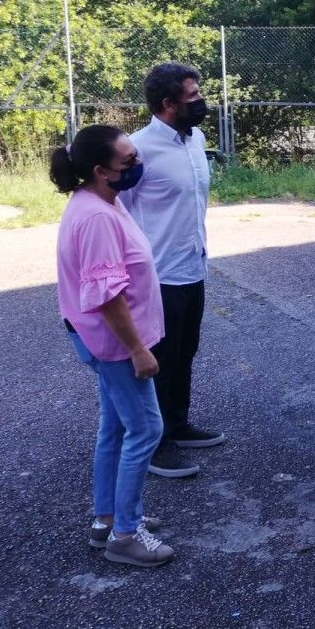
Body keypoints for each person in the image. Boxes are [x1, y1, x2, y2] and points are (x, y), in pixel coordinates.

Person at [52, 124, 174, 567]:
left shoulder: (98, 201)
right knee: (145, 430)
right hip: (116, 345)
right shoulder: (99, 216)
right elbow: (106, 295)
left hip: (101, 342)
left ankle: (109, 518)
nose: (137, 164)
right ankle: (125, 534)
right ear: (102, 171)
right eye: (129, 161)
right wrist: (139, 349)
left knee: (116, 428)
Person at [120, 62, 223, 480]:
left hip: (192, 266)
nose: (201, 103)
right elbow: (119, 214)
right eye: (193, 96)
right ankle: (154, 442)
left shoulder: (195, 138)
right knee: (158, 359)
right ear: (167, 104)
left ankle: (177, 424)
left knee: (185, 352)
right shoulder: (136, 149)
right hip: (156, 276)